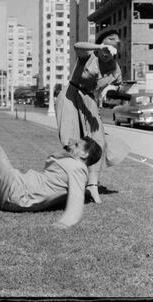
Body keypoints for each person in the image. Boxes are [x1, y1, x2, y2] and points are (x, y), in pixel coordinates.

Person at [0, 135, 102, 229]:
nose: (71, 144)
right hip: (19, 182)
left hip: (20, 195)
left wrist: (66, 222)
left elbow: (75, 199)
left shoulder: (78, 168)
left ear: (85, 155)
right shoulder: (72, 162)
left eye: (77, 145)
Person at [55, 29, 129, 204]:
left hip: (89, 100)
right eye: (110, 39)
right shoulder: (89, 55)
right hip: (71, 95)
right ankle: (71, 181)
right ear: (102, 42)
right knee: (71, 141)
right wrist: (99, 47)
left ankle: (92, 186)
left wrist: (112, 90)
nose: (114, 42)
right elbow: (77, 46)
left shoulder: (115, 68)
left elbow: (120, 86)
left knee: (99, 141)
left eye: (116, 41)